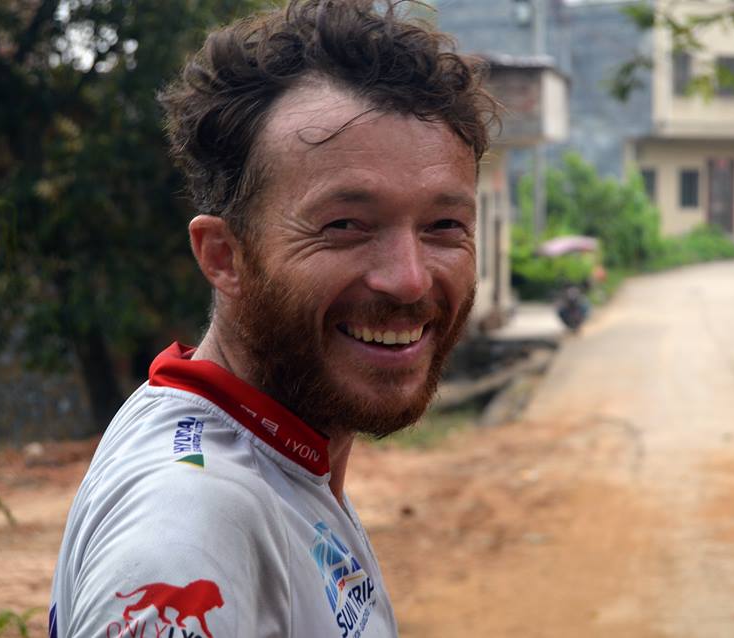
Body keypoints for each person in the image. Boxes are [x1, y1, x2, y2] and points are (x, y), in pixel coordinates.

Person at [48, 2, 496, 636]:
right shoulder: (189, 525)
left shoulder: (273, 458)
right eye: (345, 225)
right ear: (223, 256)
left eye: (445, 225)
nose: (409, 279)